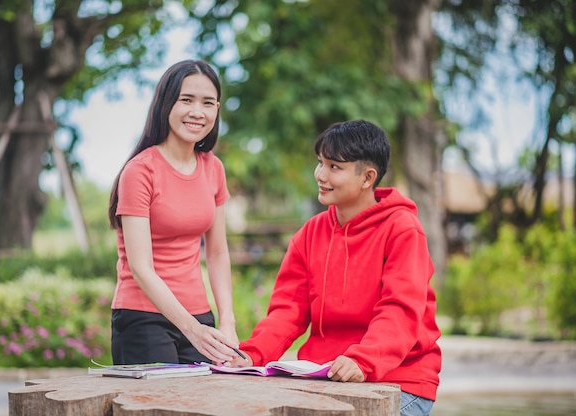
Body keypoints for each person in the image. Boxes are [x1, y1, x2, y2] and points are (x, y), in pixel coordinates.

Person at [229, 119, 441, 416]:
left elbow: (400, 310)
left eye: (333, 167)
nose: (320, 175)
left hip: (399, 379)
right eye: (320, 163)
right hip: (324, 376)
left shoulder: (403, 229)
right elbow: (287, 312)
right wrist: (251, 354)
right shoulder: (310, 233)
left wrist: (362, 360)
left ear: (367, 177)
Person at [107, 59, 239, 366]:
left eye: (207, 102)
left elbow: (218, 252)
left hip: (199, 316)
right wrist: (193, 330)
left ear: (217, 109)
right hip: (143, 318)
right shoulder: (140, 171)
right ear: (166, 104)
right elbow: (141, 268)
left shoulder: (213, 168)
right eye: (186, 100)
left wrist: (227, 322)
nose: (197, 112)